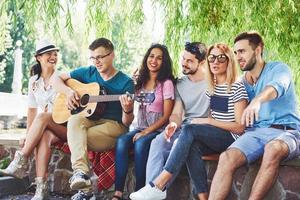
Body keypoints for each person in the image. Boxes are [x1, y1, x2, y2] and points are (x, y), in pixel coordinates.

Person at [130, 43, 249, 200]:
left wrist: (206, 121)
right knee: (189, 145)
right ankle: (203, 197)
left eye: (221, 58)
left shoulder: (236, 86)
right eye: (212, 58)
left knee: (189, 130)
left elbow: (240, 127)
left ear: (229, 61)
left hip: (232, 137)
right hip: (212, 133)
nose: (215, 62)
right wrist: (174, 123)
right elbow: (213, 114)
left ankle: (159, 184)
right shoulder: (215, 86)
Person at [209, 31, 300, 200]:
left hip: (287, 131)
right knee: (226, 157)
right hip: (256, 134)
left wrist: (257, 101)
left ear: (258, 50)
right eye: (235, 53)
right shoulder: (242, 82)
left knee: (273, 149)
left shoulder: (279, 69)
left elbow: (276, 87)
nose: (237, 57)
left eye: (242, 51)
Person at [51, 38, 135, 200]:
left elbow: (127, 122)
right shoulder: (88, 72)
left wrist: (128, 109)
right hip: (90, 120)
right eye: (93, 58)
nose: (97, 62)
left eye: (100, 57)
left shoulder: (126, 82)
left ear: (112, 55)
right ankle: (81, 174)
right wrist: (68, 92)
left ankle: (85, 189)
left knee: (77, 139)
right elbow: (56, 78)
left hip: (114, 126)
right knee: (75, 120)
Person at [128, 41, 209, 199]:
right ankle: (151, 191)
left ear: (202, 62)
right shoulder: (180, 84)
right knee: (158, 142)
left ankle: (158, 188)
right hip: (185, 129)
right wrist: (172, 123)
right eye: (183, 59)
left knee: (179, 144)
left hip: (204, 131)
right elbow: (177, 112)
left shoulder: (212, 83)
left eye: (190, 61)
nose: (184, 63)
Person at [0, 39, 68, 200]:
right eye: (48, 54)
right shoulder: (33, 82)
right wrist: (28, 134)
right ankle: (41, 190)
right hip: (47, 129)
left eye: (55, 54)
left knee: (43, 115)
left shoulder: (63, 78)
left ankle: (21, 160)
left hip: (64, 126)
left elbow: (67, 109)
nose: (53, 56)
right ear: (38, 57)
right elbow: (31, 110)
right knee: (42, 136)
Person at [112, 44, 176, 200]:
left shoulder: (166, 83)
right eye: (151, 56)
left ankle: (140, 191)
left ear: (164, 62)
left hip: (158, 130)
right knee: (121, 141)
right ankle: (118, 192)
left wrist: (146, 132)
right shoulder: (140, 82)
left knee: (140, 144)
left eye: (159, 58)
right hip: (140, 127)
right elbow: (129, 113)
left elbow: (167, 116)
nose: (154, 60)